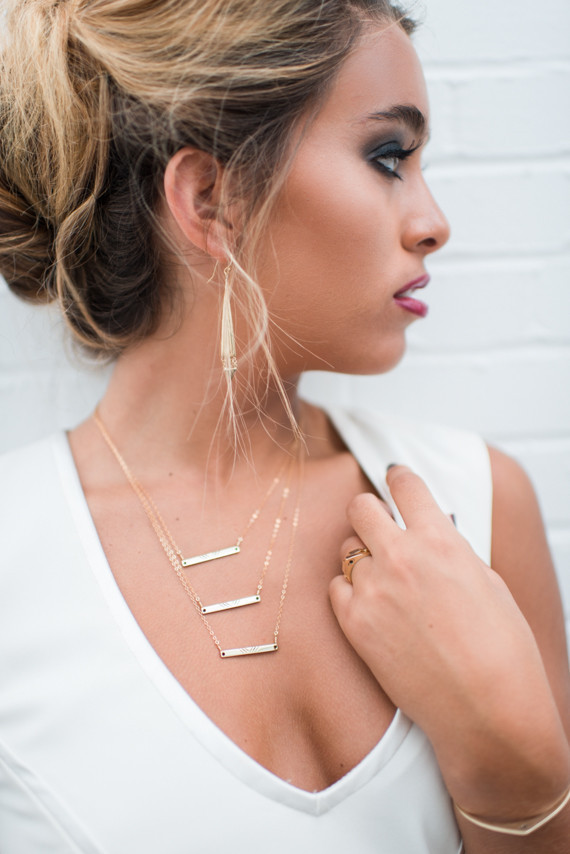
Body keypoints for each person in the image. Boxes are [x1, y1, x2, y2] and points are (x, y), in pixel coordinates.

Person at [0, 0, 568, 851]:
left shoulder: (477, 506)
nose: (433, 223)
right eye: (388, 158)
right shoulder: (13, 558)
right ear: (211, 199)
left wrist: (517, 775)